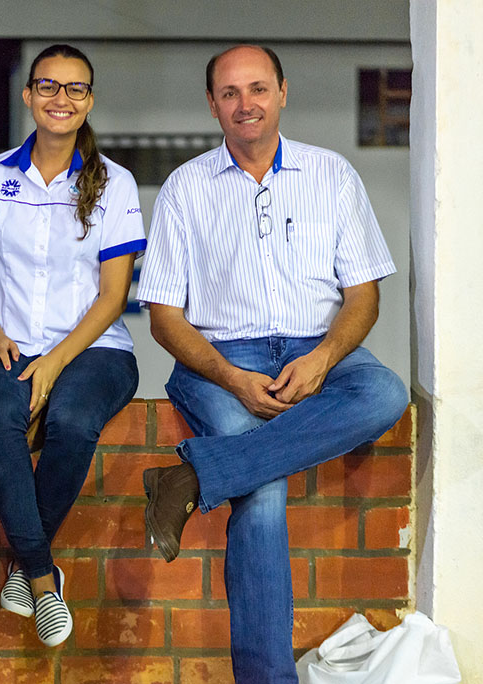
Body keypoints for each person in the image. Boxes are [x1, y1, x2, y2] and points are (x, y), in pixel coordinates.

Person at [136, 45, 407, 683]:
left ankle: (192, 477)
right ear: (212, 104)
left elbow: (364, 296)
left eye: (258, 88)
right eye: (230, 93)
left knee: (385, 393)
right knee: (261, 493)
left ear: (283, 92)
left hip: (320, 348)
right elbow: (165, 317)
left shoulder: (331, 174)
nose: (245, 104)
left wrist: (323, 358)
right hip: (219, 360)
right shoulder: (186, 188)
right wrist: (231, 377)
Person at [0, 44, 145, 647]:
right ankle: (41, 573)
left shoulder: (114, 182)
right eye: (48, 86)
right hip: (4, 341)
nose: (61, 98)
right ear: (28, 94)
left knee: (73, 420)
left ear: (89, 101)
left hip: (96, 348)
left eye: (75, 88)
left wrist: (54, 363)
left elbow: (113, 296)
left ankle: (24, 566)